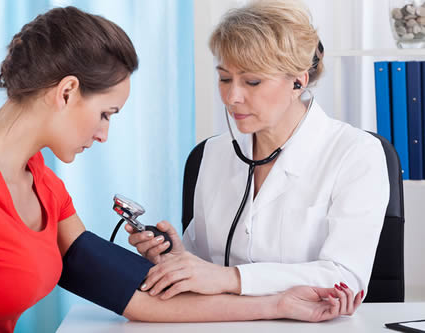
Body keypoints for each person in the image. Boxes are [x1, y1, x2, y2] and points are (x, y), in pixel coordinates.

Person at [0, 6, 361, 333]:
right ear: (67, 92)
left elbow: (133, 295)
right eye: (106, 113)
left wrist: (278, 304)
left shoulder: (38, 178)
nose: (103, 135)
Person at [127, 0, 389, 303]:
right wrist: (175, 259)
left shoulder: (356, 154)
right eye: (225, 78)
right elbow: (204, 263)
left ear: (297, 81)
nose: (231, 96)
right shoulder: (212, 153)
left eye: (252, 81)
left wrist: (232, 278)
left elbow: (346, 278)